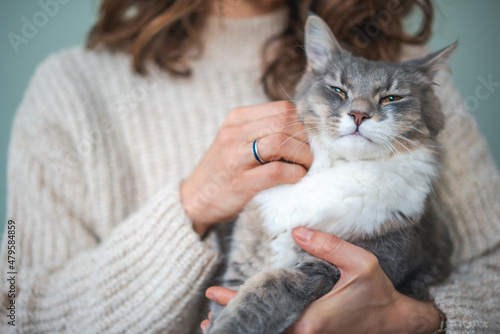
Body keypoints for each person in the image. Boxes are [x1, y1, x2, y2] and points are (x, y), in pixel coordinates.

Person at [1, 0, 499, 333]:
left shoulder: (407, 70)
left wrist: (417, 321)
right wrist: (190, 208)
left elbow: (493, 269)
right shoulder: (69, 87)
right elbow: (13, 309)